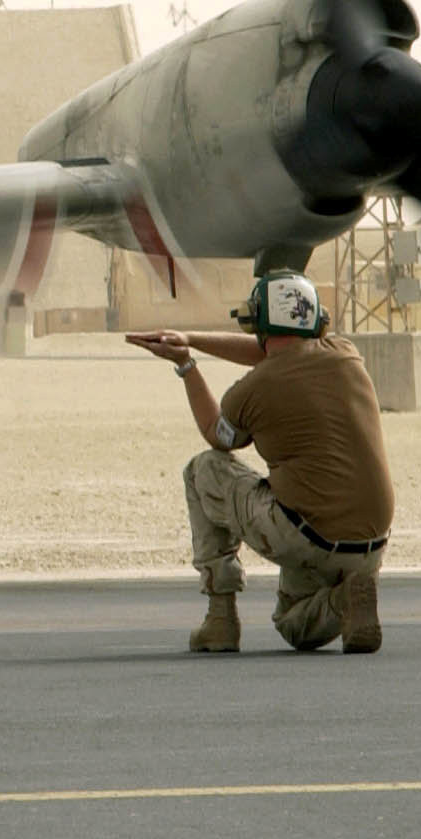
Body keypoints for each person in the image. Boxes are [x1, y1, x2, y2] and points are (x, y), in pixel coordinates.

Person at [126, 271, 391, 655]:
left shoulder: (252, 390)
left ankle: (220, 618)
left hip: (307, 536)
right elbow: (277, 350)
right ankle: (346, 598)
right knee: (294, 626)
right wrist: (192, 339)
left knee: (204, 469)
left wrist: (186, 364)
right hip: (368, 547)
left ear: (259, 322)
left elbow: (217, 435)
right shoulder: (345, 353)